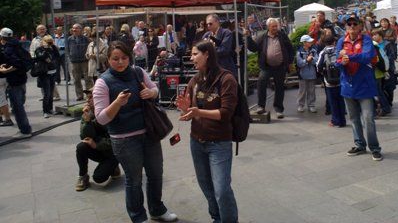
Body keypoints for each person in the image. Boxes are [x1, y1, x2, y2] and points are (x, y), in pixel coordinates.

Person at [93, 41, 178, 223]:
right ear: (108, 59)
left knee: (156, 174)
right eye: (115, 59)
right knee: (134, 180)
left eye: (124, 58)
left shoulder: (137, 72)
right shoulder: (103, 82)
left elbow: (155, 89)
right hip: (124, 139)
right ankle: (138, 217)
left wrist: (151, 92)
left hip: (149, 133)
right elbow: (101, 118)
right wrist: (116, 103)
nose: (121, 62)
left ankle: (157, 209)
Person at [176, 40, 239, 223]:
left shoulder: (226, 79)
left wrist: (198, 112)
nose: (191, 57)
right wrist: (186, 110)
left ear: (207, 54)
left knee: (221, 189)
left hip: (219, 143)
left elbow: (226, 113)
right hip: (197, 141)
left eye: (195, 54)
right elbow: (190, 111)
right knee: (206, 186)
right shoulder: (195, 81)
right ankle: (216, 218)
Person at [336, 16, 382, 161]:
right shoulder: (341, 41)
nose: (351, 26)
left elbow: (367, 56)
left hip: (365, 85)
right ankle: (360, 144)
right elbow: (336, 61)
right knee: (354, 118)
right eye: (349, 24)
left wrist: (348, 55)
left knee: (368, 118)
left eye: (354, 23)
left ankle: (374, 148)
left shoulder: (366, 39)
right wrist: (341, 62)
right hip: (347, 85)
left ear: (360, 26)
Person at [245, 17, 294, 119]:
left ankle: (279, 109)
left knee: (280, 87)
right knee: (261, 84)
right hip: (266, 67)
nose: (275, 28)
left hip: (280, 66)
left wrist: (289, 62)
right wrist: (248, 38)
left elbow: (290, 48)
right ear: (268, 27)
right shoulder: (262, 36)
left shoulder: (282, 35)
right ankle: (261, 106)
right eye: (273, 26)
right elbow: (254, 48)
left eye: (276, 26)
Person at [75, 87, 120, 191]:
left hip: (113, 152)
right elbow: (85, 137)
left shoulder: (110, 112)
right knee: (81, 147)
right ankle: (83, 176)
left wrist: (97, 144)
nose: (87, 100)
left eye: (91, 97)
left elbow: (116, 140)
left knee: (98, 178)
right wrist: (87, 121)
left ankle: (113, 167)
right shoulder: (88, 113)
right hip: (99, 149)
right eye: (87, 97)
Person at [0, 27, 32, 138]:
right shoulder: (18, 44)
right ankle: (25, 129)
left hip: (14, 80)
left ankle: (25, 130)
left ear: (2, 37)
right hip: (22, 78)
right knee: (19, 105)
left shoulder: (8, 48)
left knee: (18, 107)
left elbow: (16, 64)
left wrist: (5, 70)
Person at [317, 34, 346, 127]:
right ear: (334, 42)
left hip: (329, 82)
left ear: (324, 43)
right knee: (341, 101)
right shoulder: (338, 51)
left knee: (332, 102)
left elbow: (319, 67)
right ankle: (342, 121)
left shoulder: (323, 52)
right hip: (340, 81)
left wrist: (323, 75)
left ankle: (335, 120)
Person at [34, 35, 60, 118]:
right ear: (43, 41)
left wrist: (53, 46)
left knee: (51, 92)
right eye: (47, 41)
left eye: (50, 41)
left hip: (53, 72)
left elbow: (57, 56)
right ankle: (45, 111)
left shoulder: (52, 48)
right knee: (47, 93)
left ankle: (50, 109)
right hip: (44, 73)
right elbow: (40, 56)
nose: (49, 43)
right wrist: (45, 49)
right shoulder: (39, 49)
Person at [66, 24, 93, 101]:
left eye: (77, 28)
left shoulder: (86, 39)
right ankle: (79, 95)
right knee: (76, 79)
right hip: (74, 61)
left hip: (84, 61)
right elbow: (67, 49)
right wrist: (70, 56)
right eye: (73, 28)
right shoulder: (69, 39)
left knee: (88, 78)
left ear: (81, 29)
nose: (74, 30)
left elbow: (90, 48)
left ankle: (89, 95)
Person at [296, 35, 318, 113]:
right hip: (302, 75)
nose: (311, 42)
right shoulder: (299, 52)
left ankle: (311, 105)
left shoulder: (313, 51)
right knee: (302, 91)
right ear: (304, 43)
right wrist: (306, 60)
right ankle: (300, 105)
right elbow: (299, 63)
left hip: (312, 74)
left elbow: (316, 61)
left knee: (312, 91)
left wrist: (311, 59)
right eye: (309, 41)